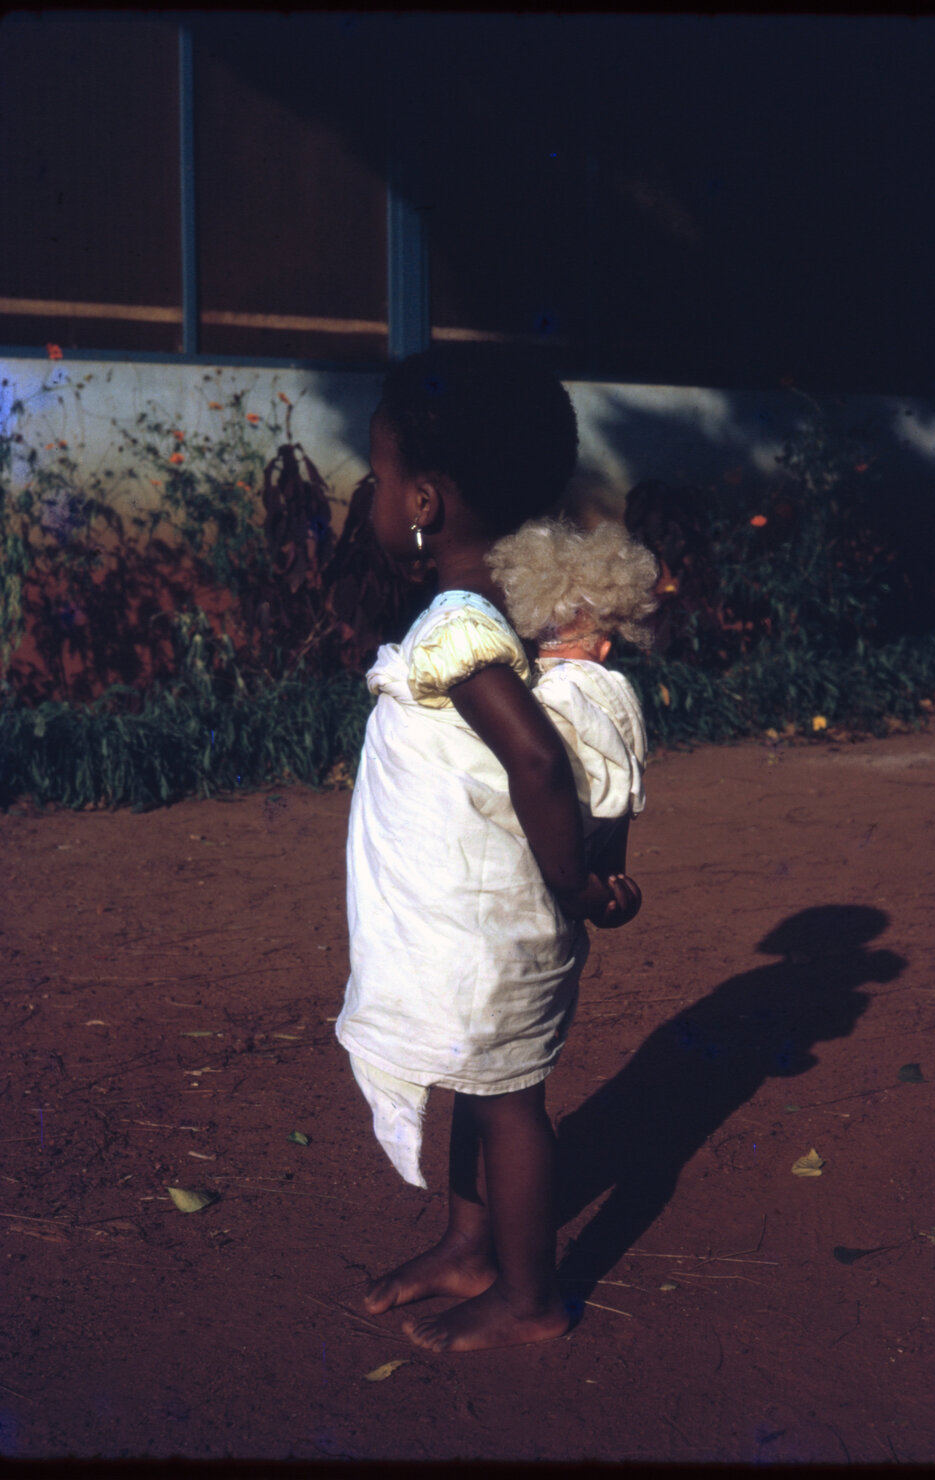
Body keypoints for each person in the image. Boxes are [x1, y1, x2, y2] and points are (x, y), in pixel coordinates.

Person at [335, 344, 642, 1353]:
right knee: (481, 1077)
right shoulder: (506, 610)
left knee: (508, 1102)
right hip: (484, 913)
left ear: (422, 499)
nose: (370, 494)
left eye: (377, 477)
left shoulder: (455, 625)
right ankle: (471, 1242)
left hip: (496, 920)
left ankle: (529, 1297)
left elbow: (538, 763)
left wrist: (575, 881)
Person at [486, 516, 659, 888]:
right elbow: (623, 781)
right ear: (605, 644)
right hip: (582, 846)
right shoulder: (606, 689)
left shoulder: (516, 689)